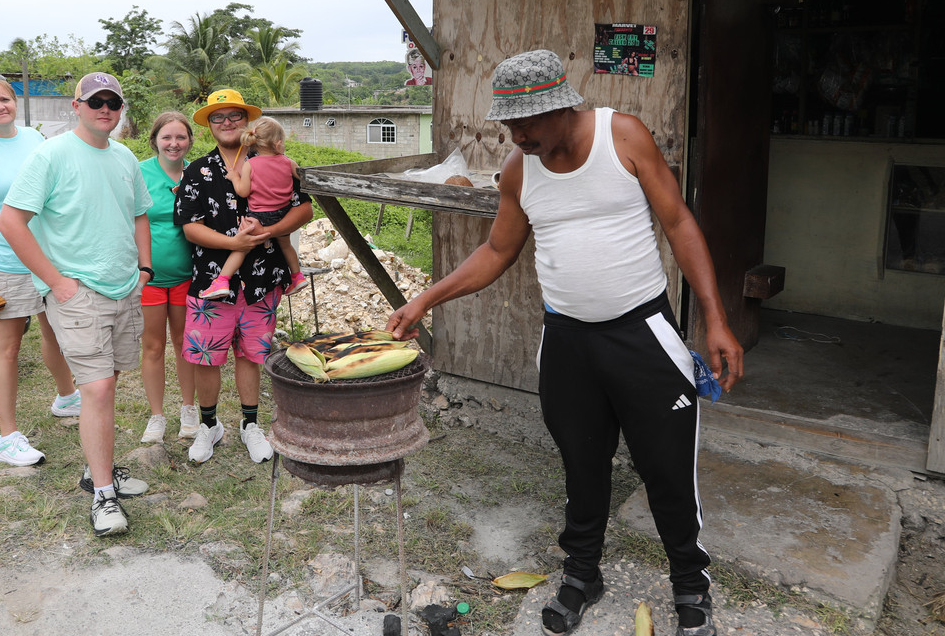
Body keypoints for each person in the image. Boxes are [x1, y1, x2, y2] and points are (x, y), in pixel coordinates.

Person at [386, 49, 744, 636]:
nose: (518, 134)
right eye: (510, 124)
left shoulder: (622, 137)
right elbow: (498, 251)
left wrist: (716, 319)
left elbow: (678, 223)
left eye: (527, 122)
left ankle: (690, 584)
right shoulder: (520, 169)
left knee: (666, 467)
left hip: (642, 335)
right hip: (568, 342)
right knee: (582, 465)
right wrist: (427, 298)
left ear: (562, 105)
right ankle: (581, 575)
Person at [0, 72, 152, 538]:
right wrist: (55, 282)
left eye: (113, 102)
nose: (105, 109)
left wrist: (144, 270)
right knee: (98, 389)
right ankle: (103, 495)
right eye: (96, 101)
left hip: (124, 287)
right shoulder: (52, 154)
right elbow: (10, 222)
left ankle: (96, 468)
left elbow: (140, 213)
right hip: (77, 290)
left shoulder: (125, 156)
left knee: (109, 383)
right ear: (76, 105)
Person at [0, 72, 80, 467]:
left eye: (5, 99)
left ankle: (66, 396)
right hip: (6, 264)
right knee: (7, 347)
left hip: (49, 257)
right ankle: (6, 437)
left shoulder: (34, 140)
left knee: (55, 331)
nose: (1, 106)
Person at [175, 89, 313, 465]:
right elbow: (189, 227)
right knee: (205, 357)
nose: (227, 123)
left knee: (251, 354)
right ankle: (209, 426)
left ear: (247, 121)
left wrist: (271, 231)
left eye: (234, 115)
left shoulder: (274, 161)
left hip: (263, 276)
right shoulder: (197, 170)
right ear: (209, 125)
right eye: (218, 117)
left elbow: (304, 209)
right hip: (212, 278)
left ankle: (250, 425)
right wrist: (232, 241)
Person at [138, 111, 201, 444]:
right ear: (155, 140)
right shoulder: (139, 172)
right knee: (152, 346)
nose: (173, 144)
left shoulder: (198, 174)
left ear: (189, 140)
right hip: (148, 276)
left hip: (187, 274)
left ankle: (189, 408)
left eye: (180, 137)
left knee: (185, 344)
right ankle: (157, 415)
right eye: (167, 137)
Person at [199, 115, 307, 301]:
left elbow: (243, 191)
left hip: (259, 216)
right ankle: (297, 276)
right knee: (286, 244)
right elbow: (302, 177)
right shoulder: (287, 162)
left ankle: (222, 281)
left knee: (241, 248)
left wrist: (234, 177)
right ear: (278, 143)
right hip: (282, 214)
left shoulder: (251, 164)